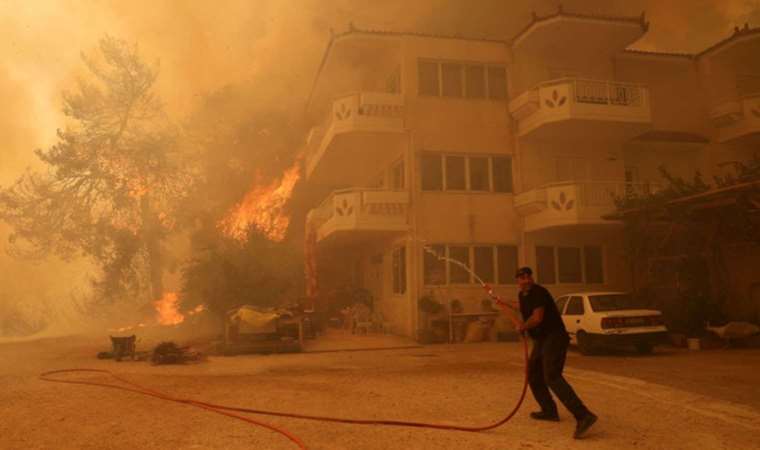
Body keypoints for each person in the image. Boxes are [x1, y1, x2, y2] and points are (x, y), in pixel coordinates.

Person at [505, 266, 598, 439]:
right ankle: (549, 410)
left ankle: (584, 415)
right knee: (533, 374)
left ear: (531, 277)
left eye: (528, 276)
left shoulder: (539, 292)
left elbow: (538, 317)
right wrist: (501, 301)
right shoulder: (522, 295)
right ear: (517, 281)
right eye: (522, 277)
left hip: (554, 337)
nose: (526, 279)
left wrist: (522, 326)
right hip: (541, 339)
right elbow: (521, 305)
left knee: (552, 376)